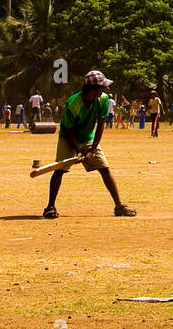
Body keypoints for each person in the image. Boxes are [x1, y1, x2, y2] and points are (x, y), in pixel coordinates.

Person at [43, 70, 136, 219]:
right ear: (93, 89)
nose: (106, 89)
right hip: (69, 138)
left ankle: (119, 206)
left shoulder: (103, 99)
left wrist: (92, 149)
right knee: (60, 169)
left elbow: (100, 125)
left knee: (104, 169)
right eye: (103, 87)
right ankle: (50, 207)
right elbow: (68, 129)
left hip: (88, 137)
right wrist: (78, 150)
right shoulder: (73, 103)